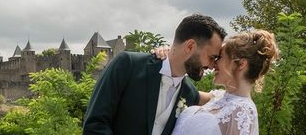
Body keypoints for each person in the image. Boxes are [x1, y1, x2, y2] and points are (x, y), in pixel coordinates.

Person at [83, 13, 227, 135]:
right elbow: (94, 125)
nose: (213, 65)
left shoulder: (190, 94)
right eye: (212, 57)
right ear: (190, 46)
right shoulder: (128, 65)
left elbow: (228, 100)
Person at [172, 30, 279, 135]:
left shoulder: (243, 112)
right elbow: (182, 89)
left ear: (241, 64)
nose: (213, 64)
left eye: (219, 57)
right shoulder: (217, 97)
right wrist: (171, 56)